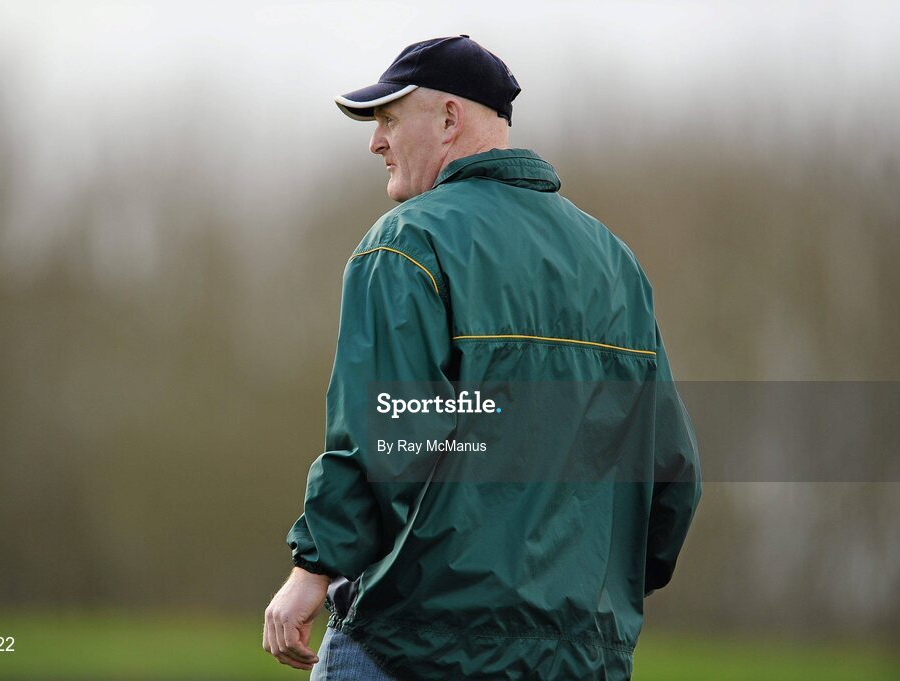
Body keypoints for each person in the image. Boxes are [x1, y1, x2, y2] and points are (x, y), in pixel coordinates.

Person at [262, 35, 702, 681]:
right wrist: (595, 593)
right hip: (580, 653)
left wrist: (312, 568)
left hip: (416, 643)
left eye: (387, 118)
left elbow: (389, 432)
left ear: (447, 118)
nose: (374, 142)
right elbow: (669, 466)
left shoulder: (407, 242)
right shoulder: (612, 260)